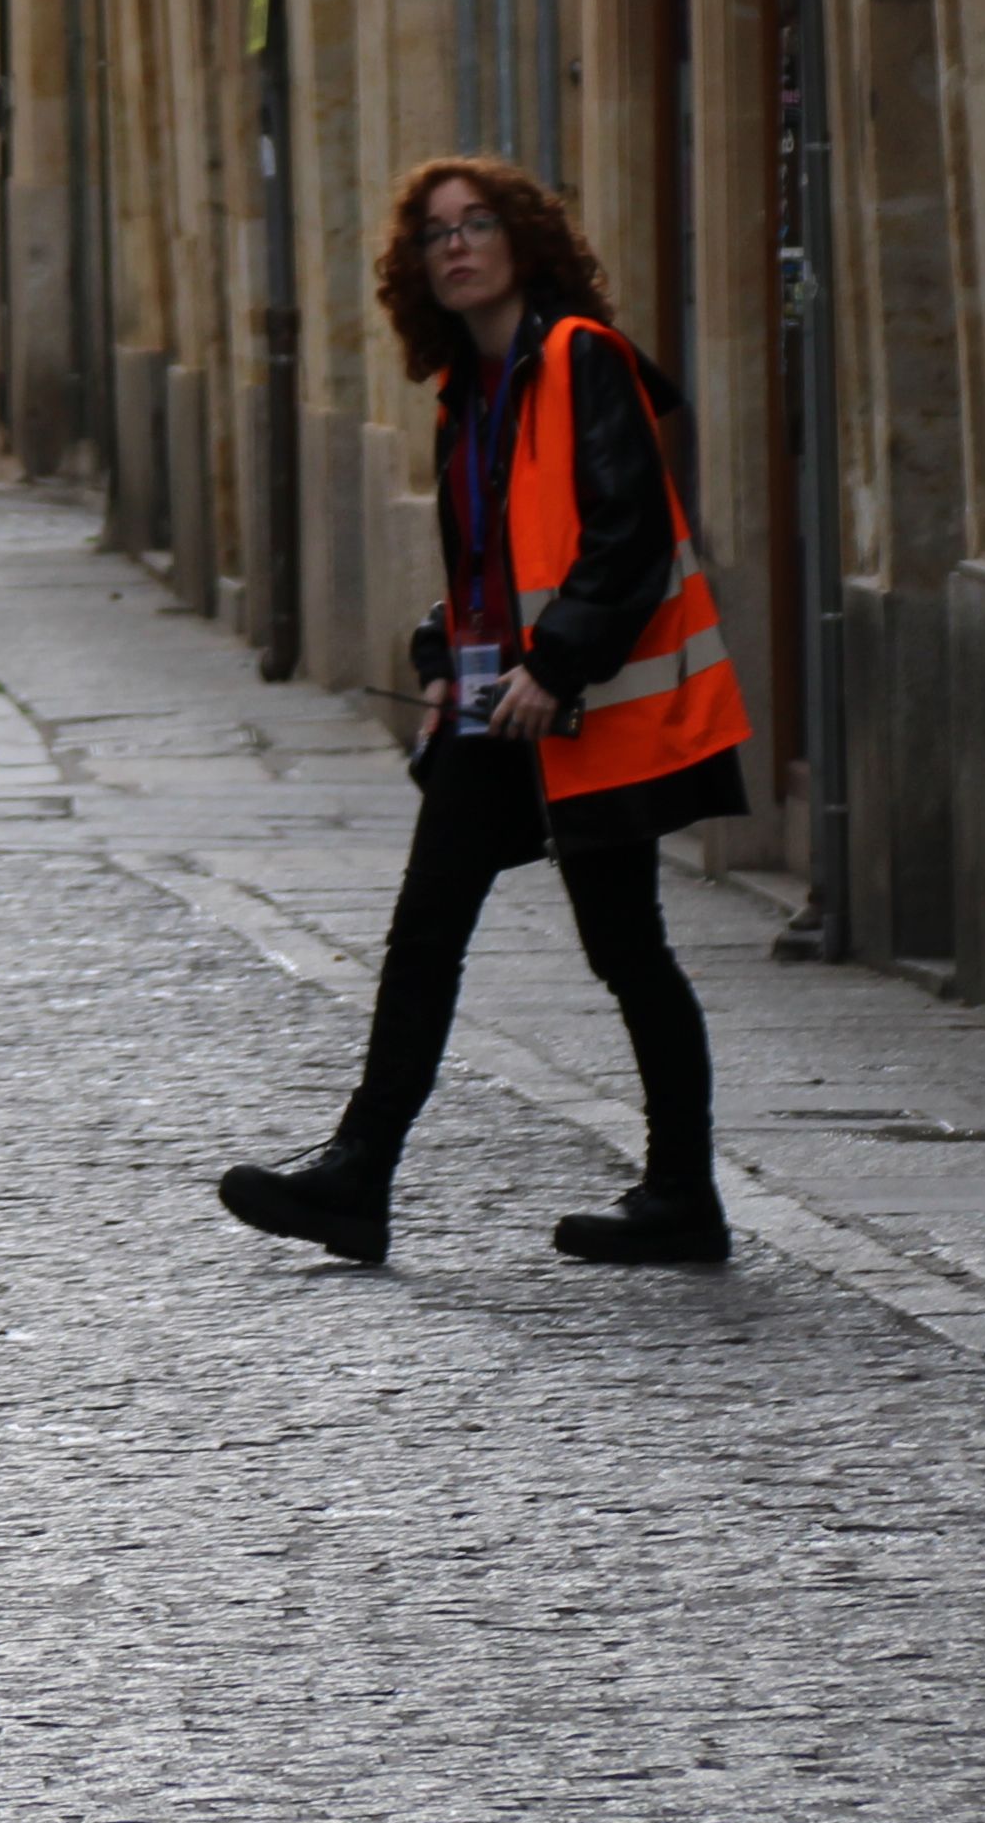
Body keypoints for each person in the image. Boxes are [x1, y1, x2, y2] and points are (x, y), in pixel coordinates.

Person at [219, 156, 753, 1272]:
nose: (456, 246)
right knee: (426, 932)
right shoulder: (469, 393)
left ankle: (684, 1195)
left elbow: (629, 536)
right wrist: (440, 663)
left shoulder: (577, 358)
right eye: (435, 235)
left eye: (478, 225)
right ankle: (359, 1174)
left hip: (582, 710)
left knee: (626, 948)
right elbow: (496, 563)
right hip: (500, 713)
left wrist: (556, 666)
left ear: (524, 242)